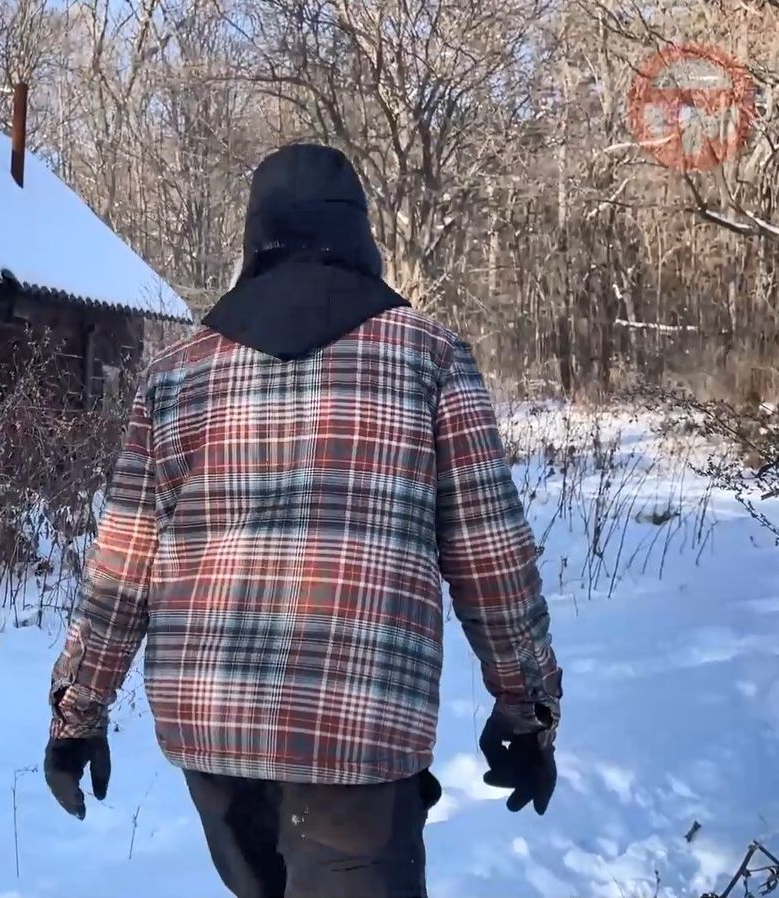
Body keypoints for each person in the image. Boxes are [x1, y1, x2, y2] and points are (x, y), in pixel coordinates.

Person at [42, 143, 564, 898]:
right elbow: (492, 559)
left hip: (212, 726)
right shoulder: (429, 359)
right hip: (360, 730)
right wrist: (527, 707)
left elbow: (124, 566)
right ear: (359, 235)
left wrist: (76, 714)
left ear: (255, 240)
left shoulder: (177, 376)